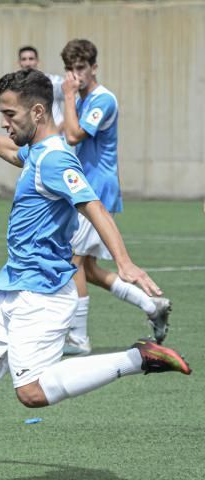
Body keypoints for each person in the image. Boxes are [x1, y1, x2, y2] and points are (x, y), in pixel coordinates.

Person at [0, 69, 190, 480]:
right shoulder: (38, 151)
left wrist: (125, 263)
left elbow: (93, 206)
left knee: (31, 393)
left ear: (36, 110)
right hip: (13, 288)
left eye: (9, 115)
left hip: (43, 294)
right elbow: (15, 155)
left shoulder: (56, 159)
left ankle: (139, 358)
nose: (4, 123)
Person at [60, 39, 170, 356]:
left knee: (73, 261)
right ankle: (152, 306)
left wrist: (67, 96)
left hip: (96, 189)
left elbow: (72, 134)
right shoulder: (80, 100)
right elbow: (58, 130)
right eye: (70, 69)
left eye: (80, 68)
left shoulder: (102, 99)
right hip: (84, 187)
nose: (75, 75)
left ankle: (78, 338)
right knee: (89, 269)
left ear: (94, 68)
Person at [18, 46, 64, 127]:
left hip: (56, 134)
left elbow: (72, 100)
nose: (28, 63)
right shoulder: (16, 86)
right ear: (19, 63)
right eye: (24, 59)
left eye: (31, 59)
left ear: (37, 61)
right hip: (32, 135)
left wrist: (64, 125)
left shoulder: (53, 81)